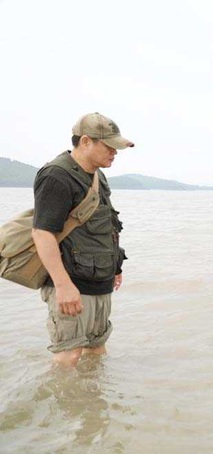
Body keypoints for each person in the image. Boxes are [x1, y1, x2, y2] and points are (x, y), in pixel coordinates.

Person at [32, 112, 134, 368]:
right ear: (86, 141)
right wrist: (63, 285)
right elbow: (42, 233)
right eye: (109, 146)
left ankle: (91, 407)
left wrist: (116, 267)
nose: (115, 153)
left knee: (96, 348)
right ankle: (64, 406)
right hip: (71, 283)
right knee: (69, 355)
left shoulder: (98, 176)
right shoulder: (57, 176)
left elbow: (107, 223)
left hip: (99, 280)